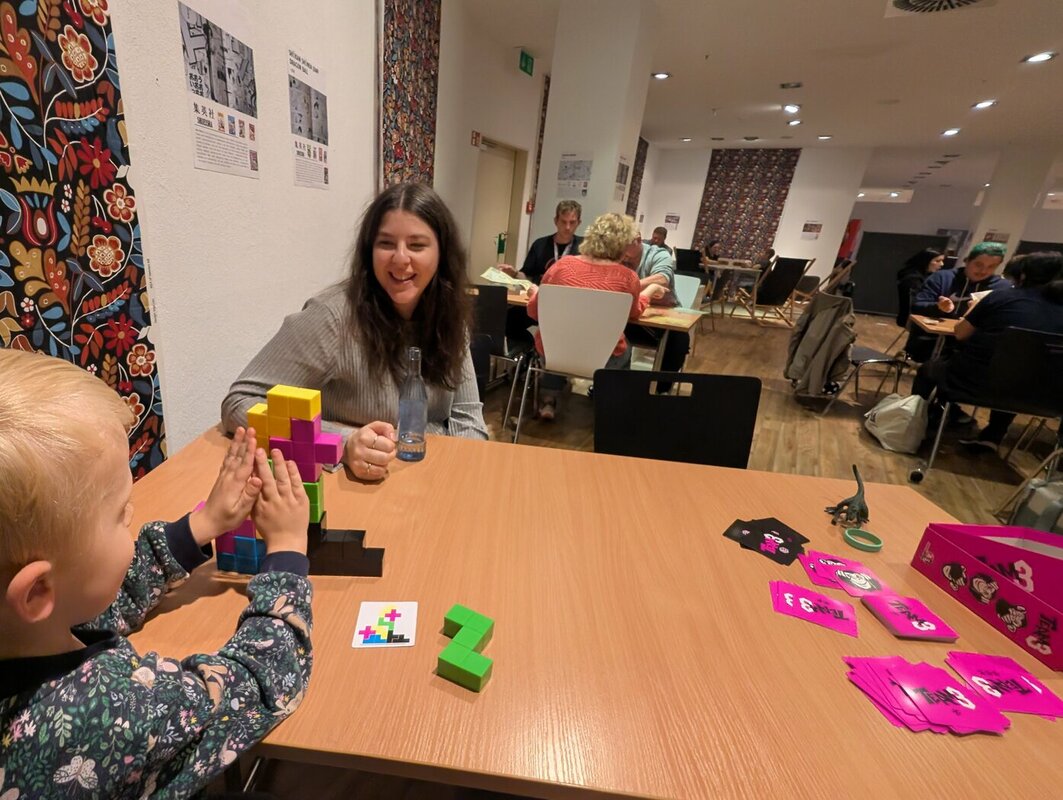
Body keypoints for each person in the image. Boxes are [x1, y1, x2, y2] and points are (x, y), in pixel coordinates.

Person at [0, 349, 312, 798]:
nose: (133, 514)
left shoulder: (22, 632)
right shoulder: (114, 711)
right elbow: (255, 684)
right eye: (120, 513)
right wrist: (286, 552)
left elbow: (90, 606)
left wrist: (200, 527)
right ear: (35, 592)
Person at [222, 183, 488, 482]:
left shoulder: (451, 313)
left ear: (441, 252)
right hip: (357, 489)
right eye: (386, 243)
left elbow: (469, 421)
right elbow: (239, 402)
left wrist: (454, 480)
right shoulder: (331, 317)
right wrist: (343, 443)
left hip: (433, 481)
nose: (400, 258)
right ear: (369, 250)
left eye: (416, 245)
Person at [911, 251, 1063, 454]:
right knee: (1019, 371)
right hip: (1045, 398)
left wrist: (975, 311)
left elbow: (960, 333)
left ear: (1023, 274)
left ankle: (917, 427)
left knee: (929, 370)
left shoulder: (1001, 297)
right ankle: (993, 436)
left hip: (973, 384)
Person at [526, 213, 665, 420]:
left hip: (555, 353)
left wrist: (535, 294)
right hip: (605, 359)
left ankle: (548, 400)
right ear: (623, 245)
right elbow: (634, 312)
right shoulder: (628, 278)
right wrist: (651, 290)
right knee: (625, 348)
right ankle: (609, 405)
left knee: (557, 337)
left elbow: (534, 312)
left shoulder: (561, 266)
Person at [904, 241, 1008, 362]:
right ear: (967, 261)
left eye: (991, 267)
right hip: (933, 341)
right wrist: (938, 307)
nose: (983, 271)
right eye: (978, 264)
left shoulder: (1002, 287)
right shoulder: (942, 277)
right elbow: (917, 306)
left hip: (973, 346)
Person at [620, 234, 690, 390]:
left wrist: (628, 286)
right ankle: (613, 385)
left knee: (678, 340)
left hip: (659, 318)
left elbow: (662, 279)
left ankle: (660, 390)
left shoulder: (658, 254)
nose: (621, 251)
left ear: (637, 240)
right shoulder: (618, 254)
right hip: (629, 315)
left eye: (624, 245)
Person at [896, 248, 944, 327]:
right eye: (937, 261)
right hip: (913, 319)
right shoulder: (912, 279)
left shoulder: (929, 276)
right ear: (925, 261)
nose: (942, 264)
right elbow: (912, 303)